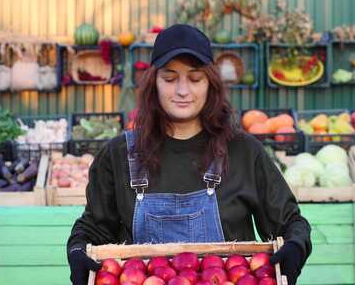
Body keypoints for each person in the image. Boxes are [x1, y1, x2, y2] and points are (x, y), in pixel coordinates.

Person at [67, 24, 311, 285]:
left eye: (195, 79)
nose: (182, 91)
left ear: (210, 84)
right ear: (154, 83)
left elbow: (289, 223)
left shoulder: (242, 151)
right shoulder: (119, 155)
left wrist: (295, 246)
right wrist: (78, 251)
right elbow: (93, 228)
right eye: (170, 78)